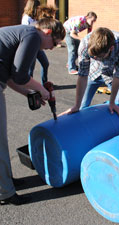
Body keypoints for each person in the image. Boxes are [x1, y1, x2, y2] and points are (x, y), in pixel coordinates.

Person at [0, 18, 65, 205]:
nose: (52, 48)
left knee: (2, 140)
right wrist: (43, 91)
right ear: (47, 32)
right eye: (54, 43)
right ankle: (5, 193)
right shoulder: (32, 35)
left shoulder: (23, 33)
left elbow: (12, 77)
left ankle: (5, 182)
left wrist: (31, 93)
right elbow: (21, 75)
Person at [60, 27, 119, 119]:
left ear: (111, 48)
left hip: (112, 74)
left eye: (99, 56)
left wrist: (112, 102)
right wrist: (77, 105)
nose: (95, 58)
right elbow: (82, 76)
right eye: (92, 56)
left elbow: (117, 77)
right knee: (82, 106)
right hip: (93, 71)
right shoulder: (85, 44)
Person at [21, 0, 57, 84]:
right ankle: (29, 85)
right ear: (33, 7)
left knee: (45, 63)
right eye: (38, 7)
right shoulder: (27, 18)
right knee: (31, 68)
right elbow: (26, 33)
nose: (39, 8)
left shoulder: (36, 17)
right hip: (30, 46)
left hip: (38, 45)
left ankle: (44, 83)